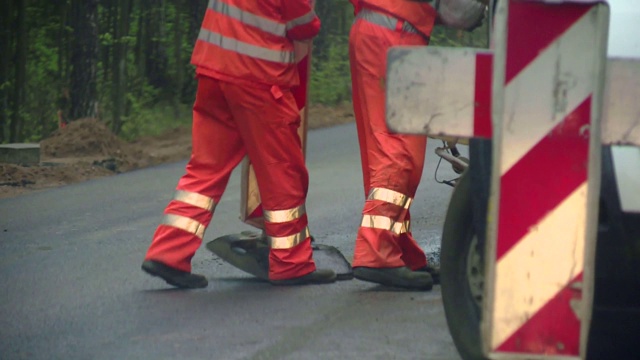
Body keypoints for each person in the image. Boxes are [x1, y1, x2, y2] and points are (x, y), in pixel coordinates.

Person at [141, 0, 336, 288]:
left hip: (214, 68)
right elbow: (303, 24)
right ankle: (291, 262)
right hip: (257, 77)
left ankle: (168, 252)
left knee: (206, 168)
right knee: (282, 168)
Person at [347, 0, 440, 290]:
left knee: (386, 149)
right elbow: (460, 10)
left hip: (377, 31)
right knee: (400, 152)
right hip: (394, 37)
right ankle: (377, 250)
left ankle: (398, 248)